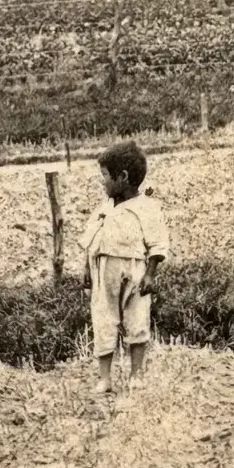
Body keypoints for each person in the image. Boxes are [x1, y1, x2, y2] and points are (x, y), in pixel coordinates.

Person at [79, 141, 170, 394]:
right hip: (103, 269)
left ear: (123, 177)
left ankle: (136, 374)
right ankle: (105, 378)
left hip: (135, 269)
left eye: (105, 176)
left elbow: (157, 243)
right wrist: (86, 269)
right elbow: (91, 240)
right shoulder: (105, 208)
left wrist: (150, 274)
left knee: (137, 318)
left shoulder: (147, 208)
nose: (103, 182)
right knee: (103, 319)